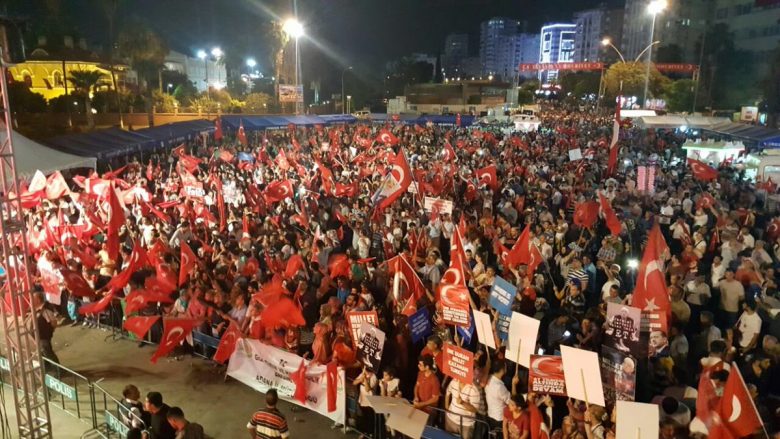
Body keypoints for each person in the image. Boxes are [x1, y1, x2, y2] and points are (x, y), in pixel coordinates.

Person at [31, 290, 59, 363]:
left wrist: (49, 332)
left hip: (43, 338)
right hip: (39, 337)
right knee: (43, 356)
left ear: (38, 300)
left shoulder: (45, 310)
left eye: (33, 299)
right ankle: (48, 369)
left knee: (49, 355)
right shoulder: (37, 310)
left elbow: (54, 322)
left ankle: (59, 371)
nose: (31, 301)